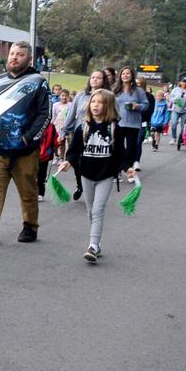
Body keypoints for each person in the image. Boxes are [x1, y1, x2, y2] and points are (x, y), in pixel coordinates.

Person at [0, 41, 51, 246]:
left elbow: (46, 114)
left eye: (20, 54)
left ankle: (30, 225)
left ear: (28, 59)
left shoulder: (38, 82)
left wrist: (29, 137)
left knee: (28, 191)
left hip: (25, 150)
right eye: (12, 53)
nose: (14, 57)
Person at [58, 89, 134, 263]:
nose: (95, 105)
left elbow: (120, 154)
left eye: (100, 102)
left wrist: (127, 168)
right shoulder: (83, 127)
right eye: (93, 102)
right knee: (90, 211)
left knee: (98, 210)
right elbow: (74, 151)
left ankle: (92, 245)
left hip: (106, 175)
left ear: (108, 106)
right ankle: (96, 243)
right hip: (86, 173)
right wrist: (67, 162)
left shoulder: (115, 128)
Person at [61, 70, 110, 201]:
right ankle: (80, 185)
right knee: (76, 161)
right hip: (80, 134)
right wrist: (63, 131)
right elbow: (71, 115)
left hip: (98, 135)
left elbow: (113, 115)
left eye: (98, 78)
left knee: (91, 161)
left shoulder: (108, 97)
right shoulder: (81, 96)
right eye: (92, 77)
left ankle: (94, 186)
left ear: (103, 81)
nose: (94, 80)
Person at [112, 66, 148, 180]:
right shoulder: (115, 90)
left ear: (132, 75)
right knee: (118, 147)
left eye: (128, 73)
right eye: (123, 74)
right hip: (119, 123)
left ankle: (129, 170)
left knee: (131, 148)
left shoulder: (139, 91)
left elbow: (146, 105)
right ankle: (118, 170)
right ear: (120, 76)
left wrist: (137, 106)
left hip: (133, 124)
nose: (125, 75)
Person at [37, 114, 60, 202]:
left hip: (45, 156)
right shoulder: (34, 125)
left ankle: (40, 193)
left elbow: (56, 140)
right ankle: (33, 192)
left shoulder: (51, 127)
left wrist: (58, 141)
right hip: (33, 155)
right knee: (32, 175)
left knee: (42, 176)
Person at [168, 78, 186, 144]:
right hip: (175, 109)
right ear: (180, 82)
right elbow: (170, 98)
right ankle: (174, 138)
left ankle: (182, 139)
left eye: (185, 82)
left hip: (185, 110)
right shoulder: (175, 89)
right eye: (182, 81)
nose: (184, 83)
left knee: (183, 126)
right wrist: (176, 100)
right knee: (173, 124)